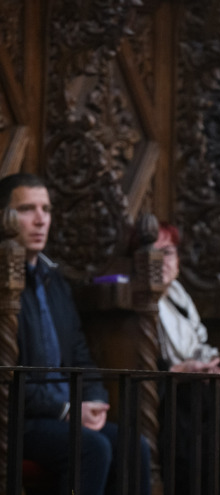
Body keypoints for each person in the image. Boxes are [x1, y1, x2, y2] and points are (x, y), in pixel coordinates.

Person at [0, 172, 151, 495]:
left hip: (61, 413)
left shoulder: (54, 279)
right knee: (92, 448)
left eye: (46, 209)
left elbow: (80, 353)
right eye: (27, 209)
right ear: (5, 217)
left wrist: (93, 398)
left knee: (135, 446)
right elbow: (8, 376)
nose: (40, 220)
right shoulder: (3, 281)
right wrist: (67, 410)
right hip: (15, 417)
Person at [153, 221, 220, 494]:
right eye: (154, 252)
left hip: (197, 387)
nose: (162, 261)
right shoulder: (142, 298)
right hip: (167, 397)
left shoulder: (178, 293)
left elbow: (200, 339)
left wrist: (212, 366)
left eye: (168, 252)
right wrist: (180, 369)